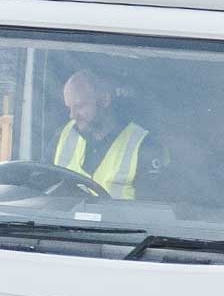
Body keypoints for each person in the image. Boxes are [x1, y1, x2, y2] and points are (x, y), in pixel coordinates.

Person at [54, 70, 165, 199]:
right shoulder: (63, 135)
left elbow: (152, 211)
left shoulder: (145, 146)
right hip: (61, 219)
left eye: (80, 106)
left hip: (120, 219)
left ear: (105, 100)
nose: (72, 116)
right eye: (69, 108)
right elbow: (42, 187)